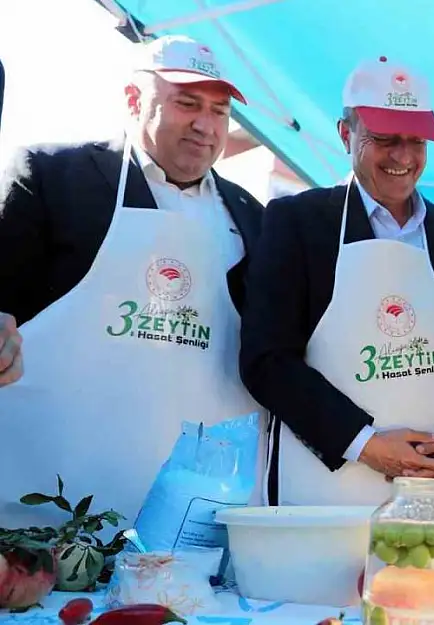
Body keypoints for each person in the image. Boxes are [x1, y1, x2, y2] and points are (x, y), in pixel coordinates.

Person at [0, 35, 265, 528]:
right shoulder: (54, 176)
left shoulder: (252, 215)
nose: (206, 126)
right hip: (45, 493)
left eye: (220, 111)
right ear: (132, 100)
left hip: (186, 515)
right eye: (187, 104)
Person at [239, 57, 434, 508]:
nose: (403, 157)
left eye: (416, 141)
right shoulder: (298, 223)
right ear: (345, 134)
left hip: (433, 497)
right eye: (385, 139)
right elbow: (266, 360)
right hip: (321, 490)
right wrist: (364, 442)